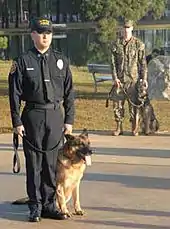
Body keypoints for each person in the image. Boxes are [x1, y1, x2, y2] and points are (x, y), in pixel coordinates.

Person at [8, 16, 75, 222]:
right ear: (33, 35)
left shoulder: (61, 60)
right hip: (32, 116)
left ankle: (49, 205)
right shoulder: (22, 61)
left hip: (55, 116)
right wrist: (17, 122)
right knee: (34, 165)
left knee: (50, 164)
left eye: (48, 33)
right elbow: (14, 95)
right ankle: (35, 206)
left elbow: (69, 92)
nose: (45, 36)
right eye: (40, 32)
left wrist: (69, 120)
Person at [110, 19, 148, 136]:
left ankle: (134, 128)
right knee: (117, 106)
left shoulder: (138, 44)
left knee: (134, 106)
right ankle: (118, 128)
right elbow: (112, 63)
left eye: (128, 28)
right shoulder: (116, 45)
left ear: (132, 28)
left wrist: (144, 79)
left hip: (133, 81)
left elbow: (143, 63)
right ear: (122, 29)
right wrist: (115, 78)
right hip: (120, 81)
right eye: (124, 28)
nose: (126, 30)